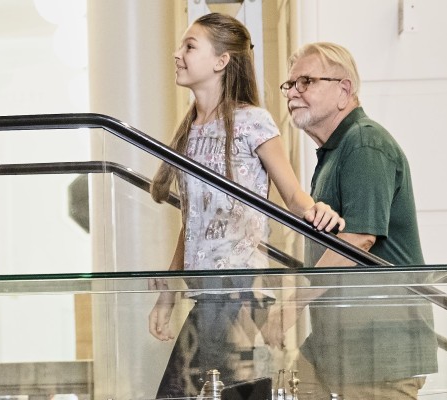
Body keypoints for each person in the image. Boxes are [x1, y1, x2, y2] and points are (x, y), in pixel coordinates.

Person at [146, 13, 343, 399]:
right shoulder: (190, 129)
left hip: (238, 293)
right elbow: (192, 222)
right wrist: (168, 293)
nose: (177, 54)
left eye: (189, 46)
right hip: (206, 295)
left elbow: (292, 195)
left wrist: (320, 212)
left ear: (221, 61)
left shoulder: (253, 122)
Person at [280, 42, 436, 400]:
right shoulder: (335, 152)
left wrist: (291, 304)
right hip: (333, 345)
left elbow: (359, 240)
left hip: (378, 348)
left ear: (344, 90)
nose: (293, 93)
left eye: (306, 81)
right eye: (290, 85)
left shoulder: (364, 141)